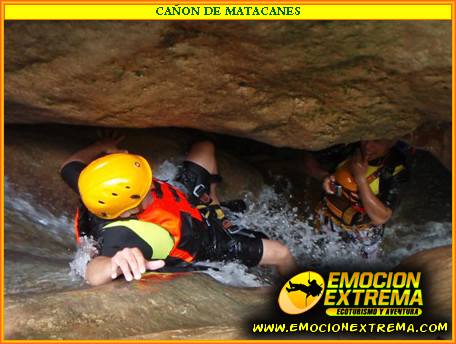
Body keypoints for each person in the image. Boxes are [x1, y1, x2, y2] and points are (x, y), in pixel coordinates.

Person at [60, 138, 298, 286]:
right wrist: (114, 264)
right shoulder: (125, 235)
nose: (152, 183)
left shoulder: (95, 186)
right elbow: (94, 273)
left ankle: (212, 201)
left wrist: (103, 146)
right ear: (129, 211)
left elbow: (68, 166)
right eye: (146, 189)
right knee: (282, 253)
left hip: (182, 200)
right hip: (207, 243)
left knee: (204, 147)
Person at [302, 139, 411, 258]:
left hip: (364, 231)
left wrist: (360, 177)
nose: (368, 146)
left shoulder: (396, 169)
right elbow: (308, 156)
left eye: (377, 141)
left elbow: (382, 216)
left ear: (392, 142)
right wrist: (323, 176)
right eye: (366, 138)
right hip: (330, 217)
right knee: (319, 258)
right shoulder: (349, 148)